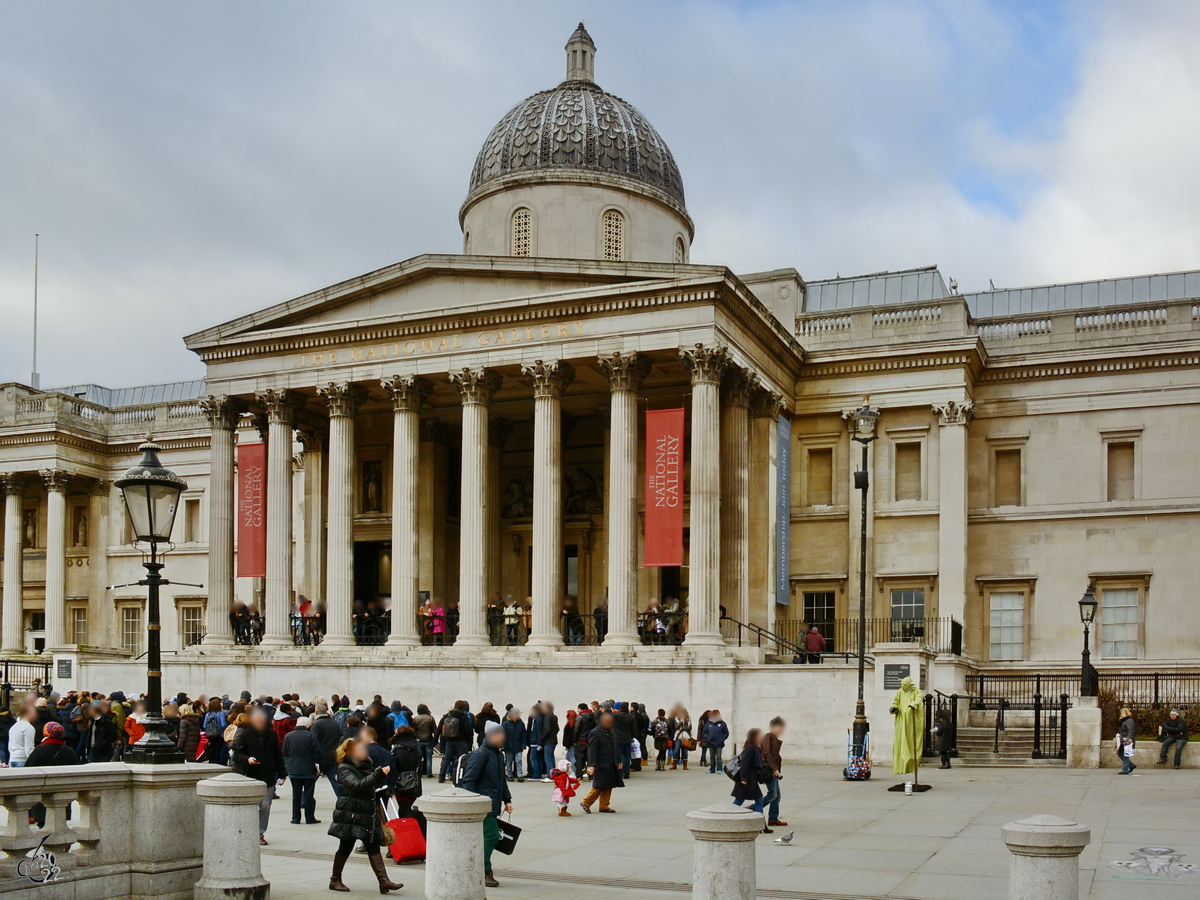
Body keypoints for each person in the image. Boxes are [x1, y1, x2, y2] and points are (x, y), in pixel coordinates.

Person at [327, 734, 403, 894]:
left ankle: (384, 881)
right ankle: (335, 879)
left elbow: (367, 784)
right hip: (350, 813)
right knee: (345, 846)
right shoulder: (344, 768)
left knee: (372, 844)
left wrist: (379, 777)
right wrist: (377, 775)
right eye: (360, 749)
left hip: (365, 813)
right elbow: (357, 786)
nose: (364, 751)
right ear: (350, 752)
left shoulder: (363, 766)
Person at [461, 721, 512, 890]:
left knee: (486, 837)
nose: (501, 737)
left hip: (493, 803)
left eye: (502, 734)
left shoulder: (498, 755)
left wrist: (507, 799)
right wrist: (472, 803)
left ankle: (479, 868)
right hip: (482, 805)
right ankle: (483, 869)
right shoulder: (481, 754)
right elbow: (469, 780)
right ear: (489, 736)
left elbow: (501, 780)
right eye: (498, 734)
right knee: (491, 835)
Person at [230, 708, 287, 845]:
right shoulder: (245, 734)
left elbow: (278, 755)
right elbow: (236, 755)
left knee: (265, 806)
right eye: (258, 721)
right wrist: (247, 759)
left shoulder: (271, 735)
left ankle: (259, 833)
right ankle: (247, 831)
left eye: (262, 721)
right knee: (252, 807)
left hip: (268, 775)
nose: (260, 723)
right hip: (251, 775)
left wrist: (282, 774)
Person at [390, 725, 426, 852]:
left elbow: (394, 767)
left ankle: (408, 839)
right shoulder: (416, 747)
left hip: (402, 783)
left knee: (404, 810)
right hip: (415, 782)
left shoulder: (397, 749)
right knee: (409, 807)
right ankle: (417, 836)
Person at [282, 716, 323, 825]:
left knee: (296, 795)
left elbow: (285, 751)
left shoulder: (288, 736)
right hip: (308, 770)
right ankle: (309, 817)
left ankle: (296, 818)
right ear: (307, 725)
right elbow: (317, 754)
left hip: (294, 770)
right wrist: (318, 767)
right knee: (309, 794)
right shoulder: (311, 736)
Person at [581, 711, 623, 814]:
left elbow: (615, 747)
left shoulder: (611, 731)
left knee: (609, 785)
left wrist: (619, 760)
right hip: (601, 763)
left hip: (611, 762)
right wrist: (591, 765)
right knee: (599, 785)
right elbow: (591, 750)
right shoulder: (595, 732)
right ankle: (586, 802)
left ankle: (604, 805)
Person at [732, 728, 771, 832]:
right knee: (738, 801)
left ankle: (761, 825)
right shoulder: (751, 748)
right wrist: (744, 778)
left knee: (759, 800)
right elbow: (744, 764)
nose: (761, 738)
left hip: (751, 780)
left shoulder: (755, 748)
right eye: (760, 736)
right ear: (755, 737)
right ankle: (726, 816)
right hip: (747, 781)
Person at [889, 677, 924, 777]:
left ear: (909, 684)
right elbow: (895, 702)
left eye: (904, 685)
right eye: (902, 684)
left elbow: (919, 699)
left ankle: (911, 765)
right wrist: (893, 708)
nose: (902, 686)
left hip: (911, 721)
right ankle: (901, 766)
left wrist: (914, 704)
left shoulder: (916, 691)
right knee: (901, 744)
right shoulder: (900, 692)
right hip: (901, 721)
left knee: (911, 743)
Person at [310, 700, 342, 796]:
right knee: (334, 780)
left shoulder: (316, 724)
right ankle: (341, 799)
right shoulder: (335, 723)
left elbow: (313, 741)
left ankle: (305, 799)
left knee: (311, 781)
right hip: (333, 755)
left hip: (320, 757)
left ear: (316, 712)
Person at [437, 701, 472, 783]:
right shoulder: (464, 717)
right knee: (461, 759)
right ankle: (459, 776)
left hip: (449, 741)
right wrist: (468, 741)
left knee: (446, 759)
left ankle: (441, 776)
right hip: (461, 741)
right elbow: (468, 731)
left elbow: (440, 729)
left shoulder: (447, 716)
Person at [761, 717, 787, 828]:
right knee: (773, 795)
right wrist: (774, 769)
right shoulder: (768, 737)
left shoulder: (773, 738)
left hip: (773, 771)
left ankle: (773, 818)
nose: (782, 730)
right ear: (775, 727)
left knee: (777, 796)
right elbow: (767, 754)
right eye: (780, 727)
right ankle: (752, 808)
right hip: (770, 771)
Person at [411, 704, 436, 778]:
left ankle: (419, 772)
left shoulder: (416, 719)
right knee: (429, 757)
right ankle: (429, 773)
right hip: (428, 739)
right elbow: (434, 729)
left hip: (419, 739)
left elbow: (413, 730)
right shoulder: (430, 718)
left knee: (419, 757)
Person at [502, 707, 527, 782]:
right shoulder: (506, 723)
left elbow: (524, 735)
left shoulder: (521, 724)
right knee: (509, 761)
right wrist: (502, 745)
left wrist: (523, 745)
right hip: (509, 745)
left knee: (518, 760)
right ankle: (509, 775)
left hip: (518, 745)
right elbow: (503, 735)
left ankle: (520, 775)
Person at [612, 702, 635, 778]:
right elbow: (634, 728)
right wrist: (633, 737)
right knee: (627, 755)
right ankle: (627, 772)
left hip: (618, 738)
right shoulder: (631, 716)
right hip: (628, 738)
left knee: (620, 755)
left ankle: (621, 771)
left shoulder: (616, 716)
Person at [572, 703, 595, 778]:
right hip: (590, 741)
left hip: (580, 741)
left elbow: (576, 730)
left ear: (581, 709)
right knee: (590, 759)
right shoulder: (593, 716)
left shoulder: (580, 717)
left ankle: (579, 775)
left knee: (579, 759)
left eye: (578, 709)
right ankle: (591, 775)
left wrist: (574, 740)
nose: (577, 710)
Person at [703, 710, 730, 774]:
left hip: (719, 743)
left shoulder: (722, 723)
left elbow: (726, 733)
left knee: (718, 757)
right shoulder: (709, 724)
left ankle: (719, 769)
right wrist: (707, 738)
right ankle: (712, 769)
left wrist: (722, 739)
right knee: (712, 757)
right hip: (710, 743)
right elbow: (704, 732)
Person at [538, 701, 559, 781]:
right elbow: (557, 728)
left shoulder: (547, 717)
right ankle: (553, 774)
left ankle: (550, 775)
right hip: (553, 740)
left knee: (548, 758)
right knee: (551, 757)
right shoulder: (553, 716)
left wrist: (542, 738)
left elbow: (547, 730)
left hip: (548, 741)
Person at [670, 705, 692, 770]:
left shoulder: (688, 719)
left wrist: (682, 728)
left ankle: (685, 765)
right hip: (678, 737)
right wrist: (681, 722)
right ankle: (674, 764)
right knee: (676, 750)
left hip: (685, 736)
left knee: (685, 751)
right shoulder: (677, 719)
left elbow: (689, 727)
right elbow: (676, 727)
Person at [1117, 708, 1137, 774]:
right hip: (1122, 739)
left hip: (1127, 740)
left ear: (1127, 713)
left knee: (1125, 755)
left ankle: (1125, 770)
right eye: (1121, 713)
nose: (1122, 714)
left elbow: (1130, 731)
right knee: (1119, 753)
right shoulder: (1122, 721)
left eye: (1123, 713)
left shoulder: (1129, 720)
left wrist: (1129, 739)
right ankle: (1131, 765)